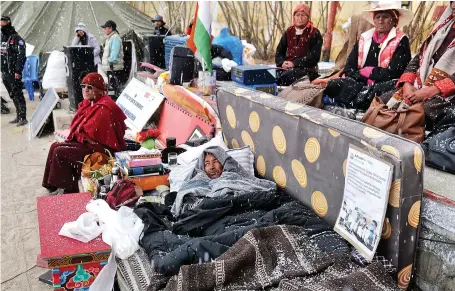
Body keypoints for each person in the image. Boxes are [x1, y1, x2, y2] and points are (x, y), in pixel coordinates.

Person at [42, 73, 127, 194]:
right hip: (88, 143)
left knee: (61, 152)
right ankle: (52, 185)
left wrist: (77, 136)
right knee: (55, 146)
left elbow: (93, 135)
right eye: (83, 86)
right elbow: (80, 130)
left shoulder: (105, 107)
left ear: (99, 90)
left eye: (90, 87)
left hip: (99, 149)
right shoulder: (89, 103)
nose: (85, 89)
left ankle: (70, 189)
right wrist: (77, 136)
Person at [324, 2, 413, 111]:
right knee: (335, 84)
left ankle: (351, 101)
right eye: (378, 17)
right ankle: (359, 101)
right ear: (374, 20)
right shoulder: (364, 38)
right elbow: (349, 67)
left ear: (394, 20)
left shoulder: (401, 40)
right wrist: (361, 75)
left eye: (385, 17)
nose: (380, 20)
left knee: (390, 88)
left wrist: (370, 72)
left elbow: (395, 72)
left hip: (382, 84)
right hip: (360, 83)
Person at [383, 2, 455, 136]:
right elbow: (419, 57)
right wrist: (407, 84)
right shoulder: (444, 27)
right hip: (422, 83)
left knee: (423, 111)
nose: (454, 6)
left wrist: (431, 90)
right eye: (452, 2)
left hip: (448, 94)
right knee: (384, 100)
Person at [275, 3, 323, 85]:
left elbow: (314, 57)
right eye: (297, 15)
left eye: (303, 15)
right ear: (294, 17)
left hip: (307, 70)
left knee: (287, 77)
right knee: (270, 76)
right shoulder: (289, 31)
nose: (300, 18)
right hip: (287, 69)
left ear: (308, 17)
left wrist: (294, 63)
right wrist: (282, 62)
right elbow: (279, 52)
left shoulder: (314, 33)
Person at [1, 15, 27, 126]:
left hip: (13, 72)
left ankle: (23, 117)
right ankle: (18, 115)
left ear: (8, 22)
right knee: (12, 94)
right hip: (5, 72)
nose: (1, 23)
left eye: (3, 21)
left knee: (18, 94)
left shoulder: (16, 38)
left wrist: (18, 70)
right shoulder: (3, 37)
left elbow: (22, 55)